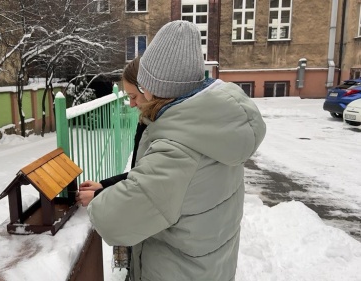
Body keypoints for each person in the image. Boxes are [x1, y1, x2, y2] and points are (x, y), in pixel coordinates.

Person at [87, 20, 266, 281]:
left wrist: (97, 200)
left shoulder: (177, 149)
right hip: (209, 265)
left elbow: (114, 219)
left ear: (152, 87)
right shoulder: (215, 125)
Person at [76, 56, 148, 207]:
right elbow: (140, 176)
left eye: (133, 96)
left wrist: (99, 196)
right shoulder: (148, 123)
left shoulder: (162, 130)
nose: (132, 104)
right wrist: (103, 185)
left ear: (148, 88)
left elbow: (148, 190)